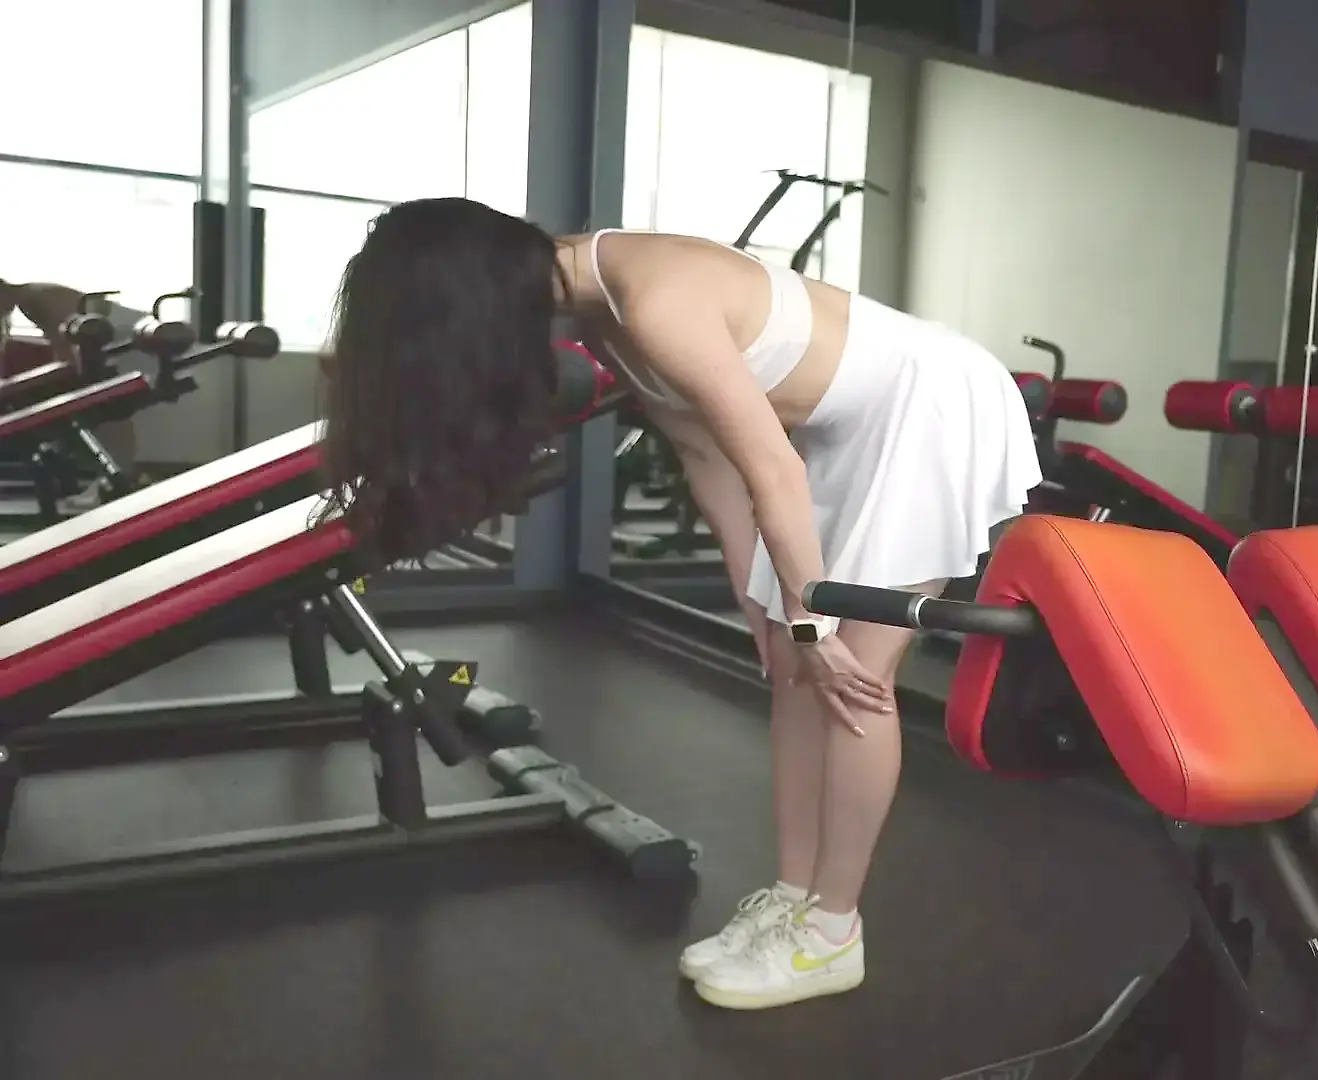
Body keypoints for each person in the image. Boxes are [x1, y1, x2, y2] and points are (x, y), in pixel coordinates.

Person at [317, 198, 1043, 1010]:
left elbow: (773, 469)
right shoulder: (601, 312)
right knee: (793, 672)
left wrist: (811, 622)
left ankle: (833, 931)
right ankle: (793, 898)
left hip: (932, 406)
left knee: (854, 681)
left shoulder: (655, 300)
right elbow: (705, 455)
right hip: (850, 432)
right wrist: (760, 599)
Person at [0, 278, 146, 500]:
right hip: (107, 335)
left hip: (127, 334)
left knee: (110, 406)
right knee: (109, 408)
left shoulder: (37, 300)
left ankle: (124, 477)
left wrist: (24, 383)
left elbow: (68, 355)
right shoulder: (29, 298)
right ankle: (123, 477)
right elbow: (63, 349)